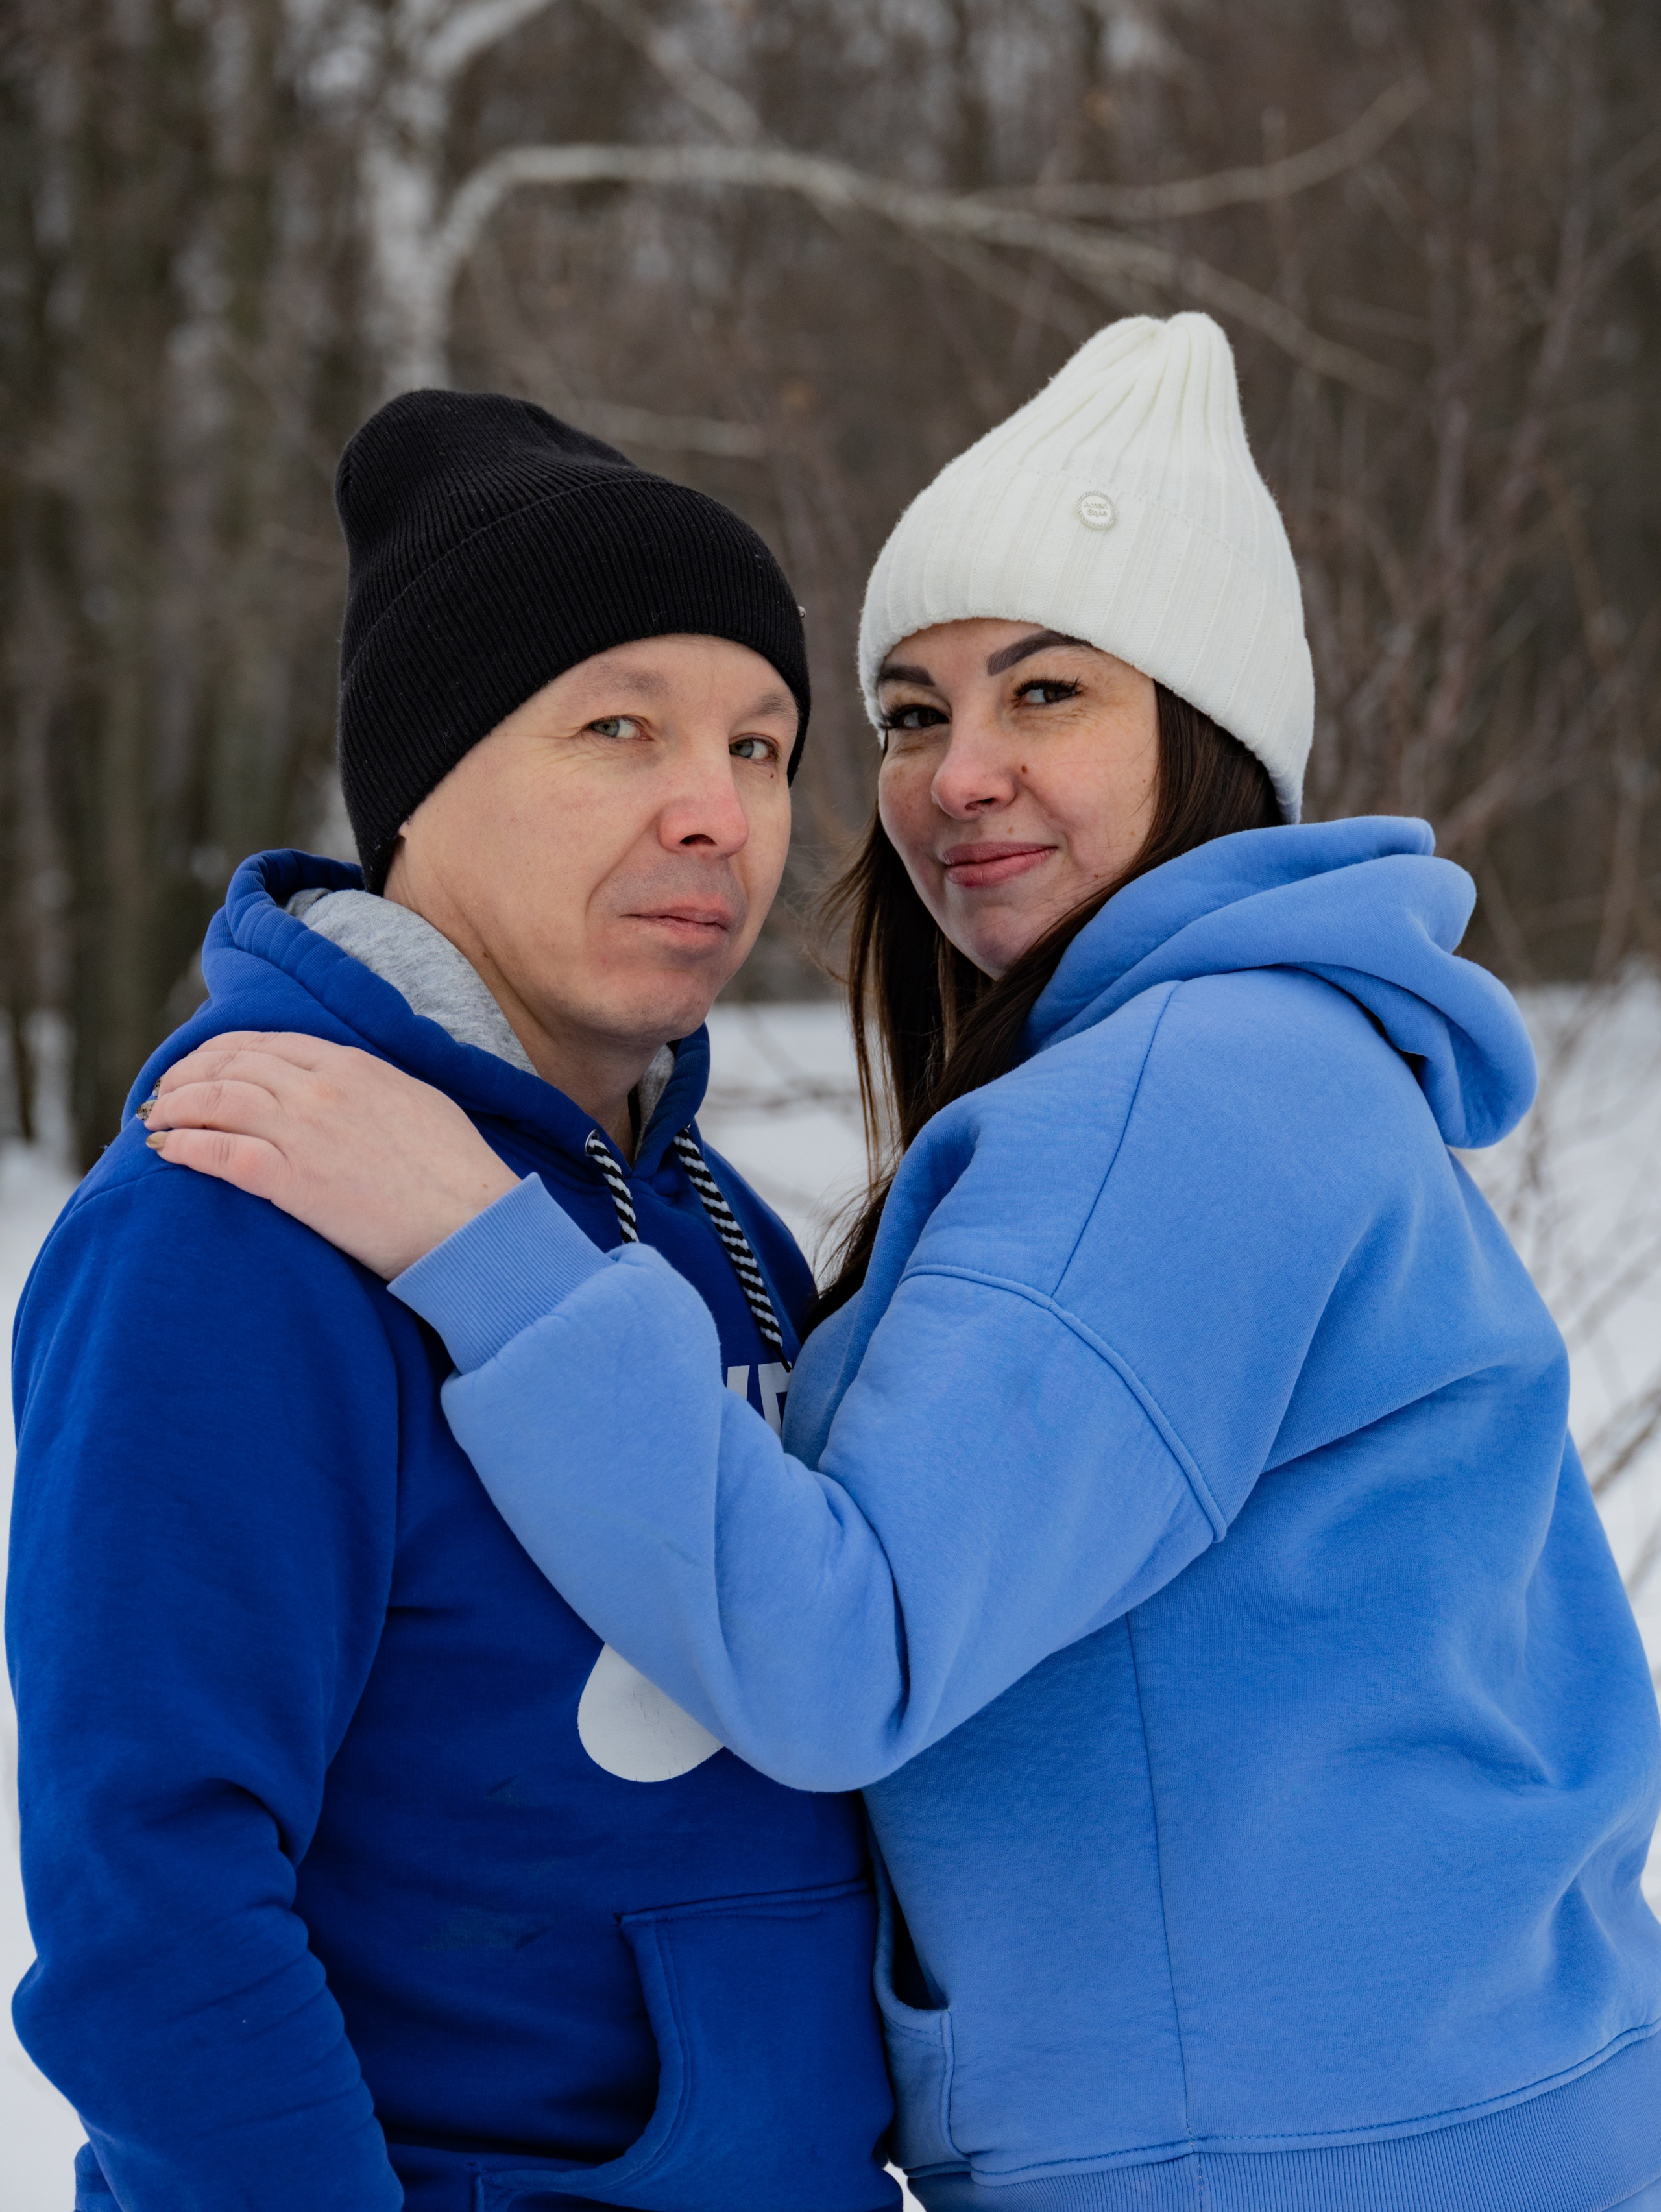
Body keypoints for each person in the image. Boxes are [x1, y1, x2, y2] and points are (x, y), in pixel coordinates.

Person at [144, 317, 1661, 2212]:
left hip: (1277, 2155)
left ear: (1208, 731)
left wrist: (479, 1239)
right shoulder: (1273, 1068)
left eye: (1048, 696)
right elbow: (159, 1872)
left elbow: (841, 1646)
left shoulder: (1181, 1097)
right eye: (916, 714)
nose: (957, 778)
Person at [6, 391, 899, 2212]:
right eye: (618, 727)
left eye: (759, 742)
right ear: (422, 776)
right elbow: (155, 1901)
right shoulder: (237, 1216)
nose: (713, 810)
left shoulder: (710, 1221)